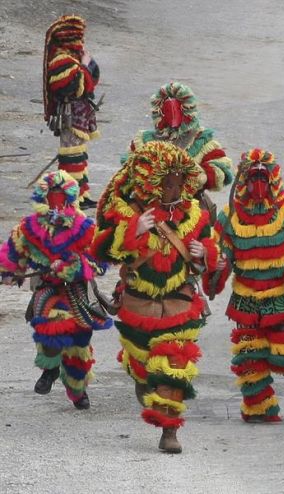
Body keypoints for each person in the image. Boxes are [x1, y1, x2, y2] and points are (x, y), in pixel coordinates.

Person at [91, 141, 222, 453]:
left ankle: (169, 430)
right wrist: (134, 229)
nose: (173, 189)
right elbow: (101, 249)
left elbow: (212, 248)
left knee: (176, 364)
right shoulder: (129, 211)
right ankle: (144, 379)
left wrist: (204, 253)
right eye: (167, 183)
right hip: (139, 302)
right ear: (154, 182)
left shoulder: (196, 213)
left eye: (178, 183)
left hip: (179, 300)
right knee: (143, 363)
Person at [213, 149, 284, 423]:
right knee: (249, 357)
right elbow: (219, 254)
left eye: (262, 176)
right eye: (252, 177)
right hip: (246, 300)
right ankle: (259, 407)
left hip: (282, 295)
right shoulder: (230, 217)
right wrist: (217, 264)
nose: (257, 184)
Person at [0, 170, 112, 409]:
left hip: (77, 289)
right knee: (50, 328)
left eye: (61, 197)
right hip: (46, 287)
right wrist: (9, 271)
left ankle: (76, 388)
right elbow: (13, 251)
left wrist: (71, 267)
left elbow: (100, 262)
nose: (56, 202)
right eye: (52, 196)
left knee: (79, 341)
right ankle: (50, 368)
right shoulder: (29, 227)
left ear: (70, 198)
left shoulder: (85, 227)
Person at [126, 81, 233, 220]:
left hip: (191, 206)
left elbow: (220, 169)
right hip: (151, 207)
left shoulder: (201, 139)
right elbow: (128, 170)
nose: (172, 115)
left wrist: (196, 177)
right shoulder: (145, 141)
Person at [43, 15, 101, 210]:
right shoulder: (60, 60)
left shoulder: (72, 58)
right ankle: (71, 196)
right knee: (71, 156)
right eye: (78, 38)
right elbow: (71, 86)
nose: (80, 42)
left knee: (80, 155)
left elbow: (92, 80)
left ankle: (82, 195)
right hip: (69, 116)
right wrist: (83, 65)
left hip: (80, 115)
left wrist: (87, 61)